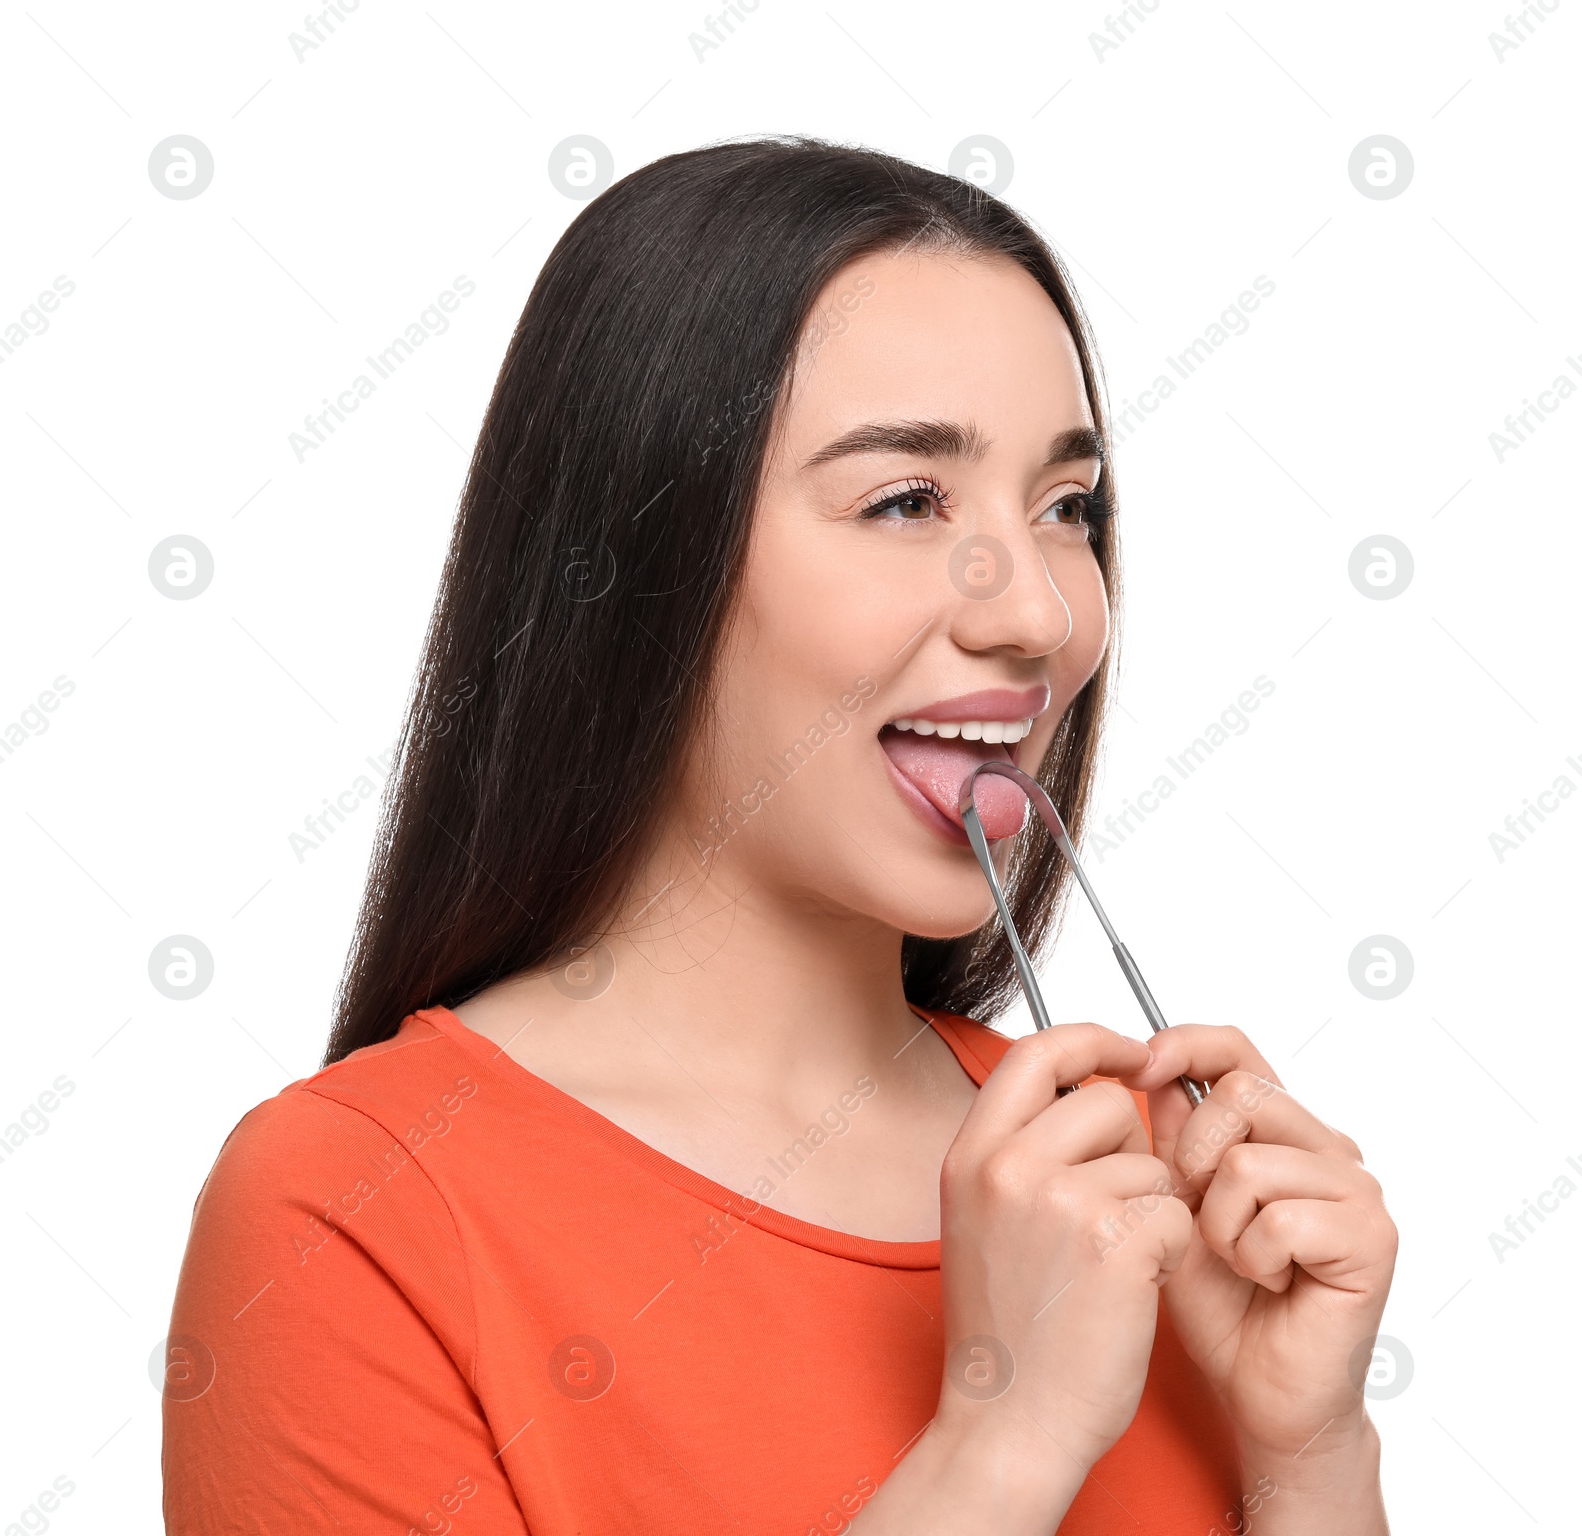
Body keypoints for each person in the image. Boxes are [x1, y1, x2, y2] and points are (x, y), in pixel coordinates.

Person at [162, 137, 1396, 1533]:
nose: (1043, 617)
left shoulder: (1154, 1197)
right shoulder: (351, 1213)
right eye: (907, 501)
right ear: (636, 575)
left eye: (1066, 509)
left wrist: (1311, 1453)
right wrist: (1002, 1440)